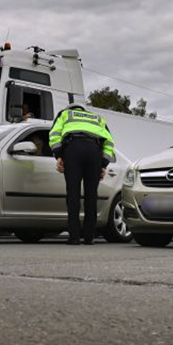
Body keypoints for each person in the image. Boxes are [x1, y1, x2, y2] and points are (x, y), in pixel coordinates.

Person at [48, 103, 115, 245]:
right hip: (94, 150)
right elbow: (109, 141)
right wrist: (102, 164)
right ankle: (89, 237)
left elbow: (54, 134)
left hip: (73, 149)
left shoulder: (65, 114)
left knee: (73, 194)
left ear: (70, 109)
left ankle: (74, 237)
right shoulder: (97, 118)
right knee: (92, 195)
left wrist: (59, 155)